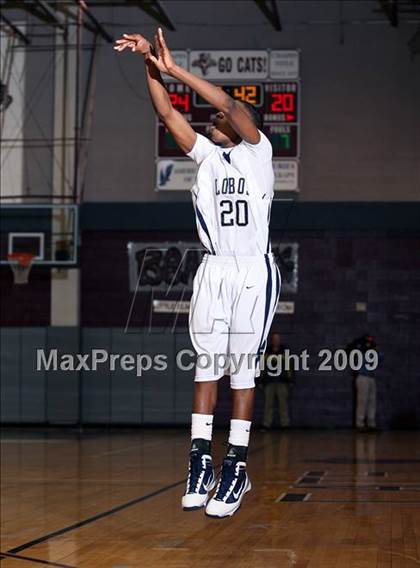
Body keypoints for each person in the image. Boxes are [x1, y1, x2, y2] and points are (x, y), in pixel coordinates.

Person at [115, 29, 280, 518]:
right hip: (212, 269)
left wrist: (175, 68)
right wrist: (148, 62)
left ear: (246, 126)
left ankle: (237, 465)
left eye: (223, 119)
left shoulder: (258, 152)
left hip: (251, 270)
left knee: (242, 371)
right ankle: (200, 460)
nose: (213, 119)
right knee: (206, 365)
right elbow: (166, 113)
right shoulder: (207, 158)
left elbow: (227, 103)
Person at [260, 332, 293, 429]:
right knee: (268, 405)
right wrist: (261, 380)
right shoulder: (267, 351)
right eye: (274, 339)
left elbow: (290, 367)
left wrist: (290, 380)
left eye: (277, 339)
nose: (276, 341)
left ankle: (285, 424)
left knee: (283, 405)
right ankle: (266, 424)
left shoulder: (285, 351)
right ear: (272, 340)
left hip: (282, 382)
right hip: (269, 382)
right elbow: (262, 368)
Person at [346, 334, 378, 431]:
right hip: (362, 377)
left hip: (371, 377)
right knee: (362, 401)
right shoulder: (358, 352)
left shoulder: (371, 352)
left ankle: (371, 423)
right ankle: (360, 424)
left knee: (372, 401)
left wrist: (374, 350)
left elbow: (379, 360)